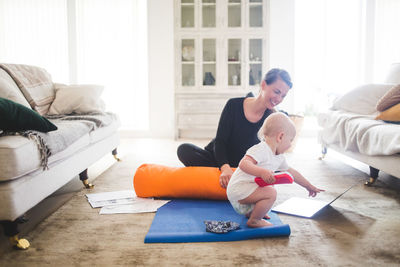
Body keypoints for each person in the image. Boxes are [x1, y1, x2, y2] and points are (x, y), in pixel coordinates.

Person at [177, 68, 293, 188]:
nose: (279, 99)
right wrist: (225, 168)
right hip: (219, 159)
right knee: (184, 150)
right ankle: (224, 174)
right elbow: (220, 141)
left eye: (283, 96)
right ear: (263, 84)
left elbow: (272, 155)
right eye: (276, 92)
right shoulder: (233, 105)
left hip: (245, 167)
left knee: (276, 169)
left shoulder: (272, 120)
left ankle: (229, 176)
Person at [226, 113, 324, 228]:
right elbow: (243, 164)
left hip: (248, 191)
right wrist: (262, 172)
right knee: (271, 192)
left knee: (270, 186)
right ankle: (254, 220)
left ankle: (254, 213)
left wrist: (308, 186)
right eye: (290, 140)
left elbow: (292, 173)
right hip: (239, 188)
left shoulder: (279, 157)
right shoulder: (261, 149)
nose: (290, 145)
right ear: (280, 137)